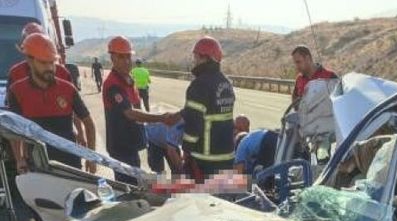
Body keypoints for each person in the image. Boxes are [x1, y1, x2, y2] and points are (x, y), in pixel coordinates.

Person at [7, 33, 97, 174]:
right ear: (29, 60)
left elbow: (89, 123)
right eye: (43, 63)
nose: (49, 67)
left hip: (70, 163)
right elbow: (14, 129)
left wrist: (91, 157)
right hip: (37, 165)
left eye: (52, 62)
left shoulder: (68, 89)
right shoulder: (17, 91)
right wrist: (19, 159)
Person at [102, 36, 173, 184]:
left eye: (128, 56)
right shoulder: (113, 85)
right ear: (113, 58)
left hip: (131, 144)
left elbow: (138, 108)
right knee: (129, 186)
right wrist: (161, 118)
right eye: (121, 57)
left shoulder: (128, 80)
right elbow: (130, 113)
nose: (127, 61)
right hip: (121, 146)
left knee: (136, 181)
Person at [166, 36, 235, 181]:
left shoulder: (199, 85)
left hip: (205, 158)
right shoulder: (226, 83)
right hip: (227, 156)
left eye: (196, 56)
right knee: (222, 199)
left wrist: (187, 149)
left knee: (200, 200)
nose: (194, 60)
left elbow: (193, 123)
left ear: (205, 58)